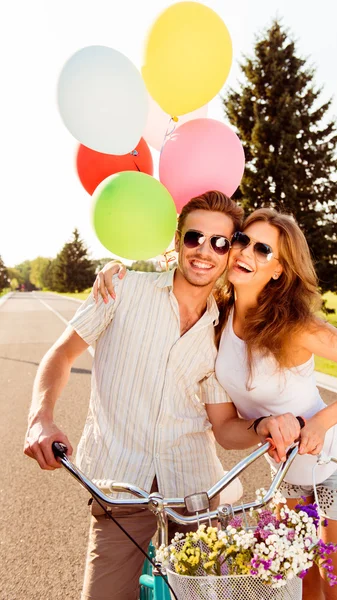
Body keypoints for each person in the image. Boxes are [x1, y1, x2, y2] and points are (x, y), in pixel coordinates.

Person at [98, 207, 337, 600]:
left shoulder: (295, 326)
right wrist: (115, 268)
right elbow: (174, 283)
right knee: (299, 586)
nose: (244, 252)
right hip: (287, 474)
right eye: (242, 240)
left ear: (279, 270)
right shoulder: (219, 316)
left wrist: (322, 422)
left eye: (263, 249)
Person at [24, 191, 300, 600]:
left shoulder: (221, 331)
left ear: (229, 254)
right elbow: (62, 354)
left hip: (194, 492)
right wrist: (40, 417)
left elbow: (224, 427)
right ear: (176, 241)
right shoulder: (121, 288)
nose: (205, 251)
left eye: (220, 242)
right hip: (120, 490)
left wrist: (263, 428)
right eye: (194, 238)